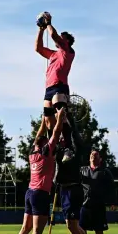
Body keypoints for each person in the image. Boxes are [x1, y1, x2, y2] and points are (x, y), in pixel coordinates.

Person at [10, 107, 66, 234]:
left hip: (29, 193)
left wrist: (43, 119)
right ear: (45, 143)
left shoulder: (32, 153)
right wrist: (60, 117)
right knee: (37, 230)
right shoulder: (47, 152)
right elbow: (55, 133)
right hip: (41, 194)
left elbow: (38, 135)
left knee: (25, 227)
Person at [52, 103, 90, 234]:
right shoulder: (59, 142)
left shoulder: (74, 142)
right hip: (64, 188)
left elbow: (76, 142)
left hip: (73, 188)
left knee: (71, 225)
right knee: (74, 225)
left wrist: (68, 122)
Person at [35, 12, 76, 163]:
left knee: (61, 114)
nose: (59, 38)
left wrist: (49, 23)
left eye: (62, 37)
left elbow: (53, 36)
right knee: (48, 121)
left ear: (67, 41)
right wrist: (40, 29)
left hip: (60, 86)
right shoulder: (53, 54)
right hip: (49, 88)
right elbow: (38, 48)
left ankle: (69, 147)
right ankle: (57, 145)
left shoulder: (67, 50)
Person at [70, 150, 117, 234]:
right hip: (84, 205)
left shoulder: (105, 172)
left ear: (100, 158)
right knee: (81, 229)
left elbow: (112, 188)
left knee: (99, 230)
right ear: (89, 157)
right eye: (91, 155)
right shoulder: (82, 170)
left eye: (96, 155)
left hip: (99, 205)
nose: (93, 156)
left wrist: (113, 202)